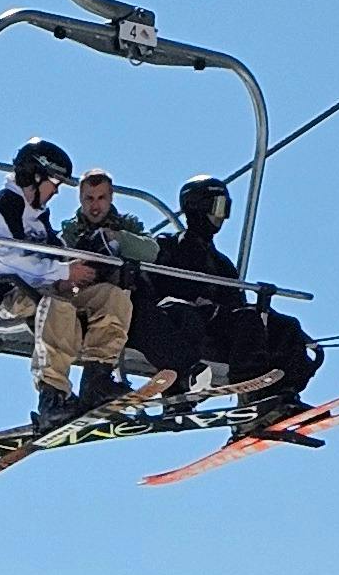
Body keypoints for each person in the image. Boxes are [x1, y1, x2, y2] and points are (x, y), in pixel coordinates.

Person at [0, 137, 135, 431]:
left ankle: (98, 377)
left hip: (44, 288)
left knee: (112, 297)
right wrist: (60, 273)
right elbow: (3, 260)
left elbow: (56, 253)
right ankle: (53, 396)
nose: (56, 191)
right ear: (35, 177)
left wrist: (77, 267)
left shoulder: (36, 216)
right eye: (54, 182)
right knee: (57, 304)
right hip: (8, 296)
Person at [136, 173, 318, 420]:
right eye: (217, 207)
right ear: (196, 207)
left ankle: (284, 392)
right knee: (247, 320)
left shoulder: (221, 263)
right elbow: (156, 286)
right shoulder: (168, 246)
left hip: (220, 324)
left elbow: (235, 302)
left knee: (285, 325)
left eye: (225, 209)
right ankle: (251, 394)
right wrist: (200, 302)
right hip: (185, 318)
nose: (220, 216)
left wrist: (261, 307)